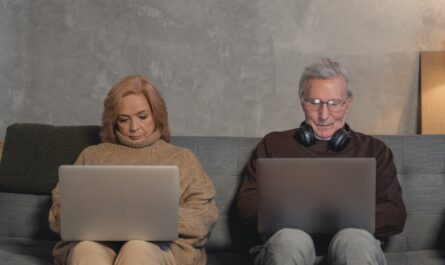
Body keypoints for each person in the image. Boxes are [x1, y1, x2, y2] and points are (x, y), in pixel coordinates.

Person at [236, 59, 406, 265]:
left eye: (334, 103)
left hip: (353, 246)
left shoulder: (375, 150)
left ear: (348, 103)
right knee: (290, 240)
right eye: (314, 102)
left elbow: (395, 214)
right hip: (288, 246)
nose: (324, 115)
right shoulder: (274, 144)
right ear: (301, 101)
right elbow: (246, 205)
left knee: (354, 240)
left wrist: (338, 216)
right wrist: (295, 214)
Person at [49, 75, 219, 265]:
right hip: (98, 244)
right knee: (85, 250)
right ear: (113, 121)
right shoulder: (92, 155)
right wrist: (76, 216)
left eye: (142, 116)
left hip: (159, 248)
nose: (134, 127)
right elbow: (60, 204)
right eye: (123, 119)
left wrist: (155, 218)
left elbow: (204, 216)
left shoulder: (183, 158)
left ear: (157, 114)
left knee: (136, 248)